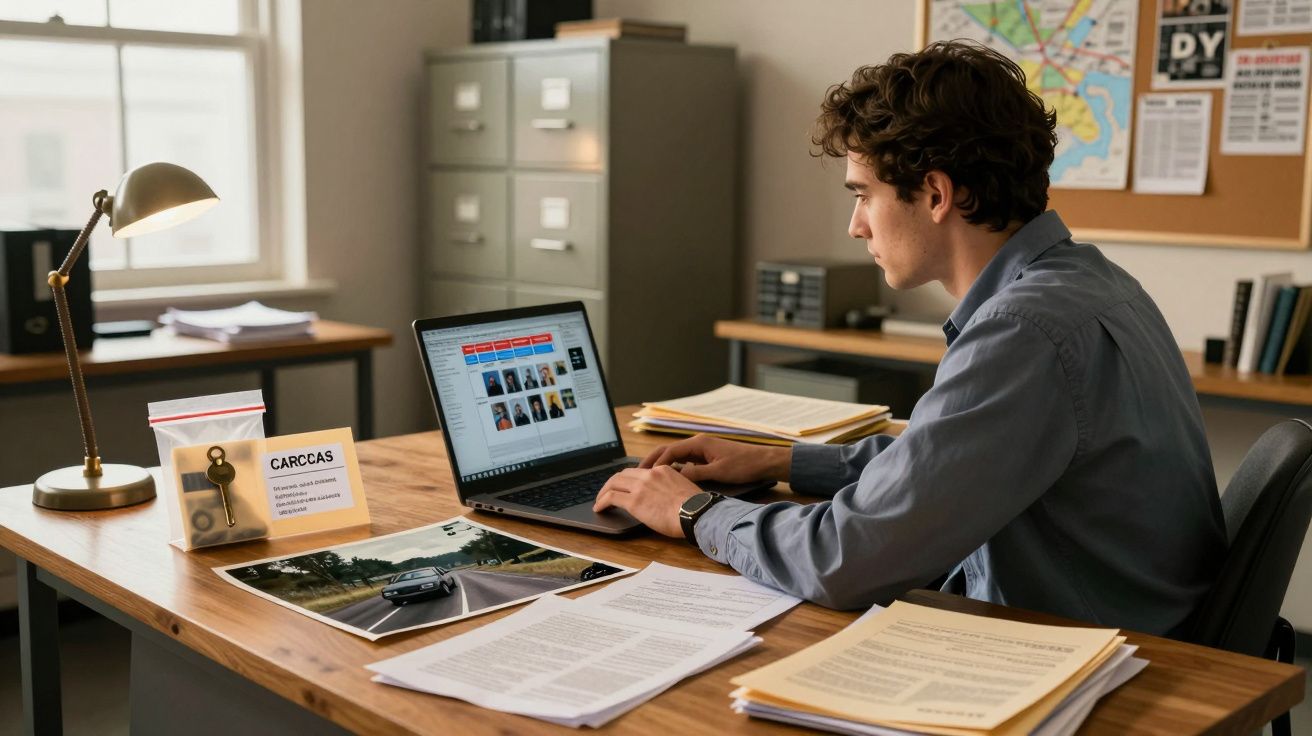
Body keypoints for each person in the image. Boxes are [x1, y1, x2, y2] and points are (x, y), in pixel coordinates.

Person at [593, 41, 1226, 638]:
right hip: (1133, 624)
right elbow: (946, 463)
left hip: (1094, 658)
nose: (855, 225)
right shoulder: (1090, 281)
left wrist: (696, 512)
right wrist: (781, 460)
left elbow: (846, 560)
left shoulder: (1024, 331)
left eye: (864, 194)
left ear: (935, 193)